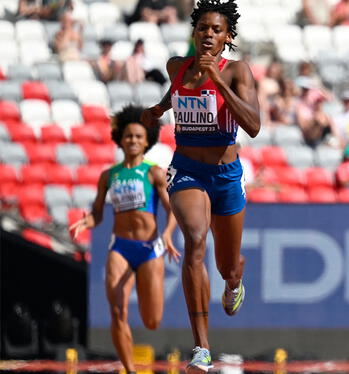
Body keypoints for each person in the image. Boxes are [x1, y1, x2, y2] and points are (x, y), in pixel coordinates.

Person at [140, 0, 261, 372]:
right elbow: (176, 93)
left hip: (225, 174)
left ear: (227, 38)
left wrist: (219, 81)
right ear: (194, 32)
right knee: (194, 240)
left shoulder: (237, 71)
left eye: (216, 30)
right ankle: (202, 348)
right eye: (203, 28)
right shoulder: (176, 66)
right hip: (187, 168)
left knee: (226, 264)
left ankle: (233, 279)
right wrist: (159, 109)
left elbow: (254, 125)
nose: (209, 35)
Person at [69, 105, 179, 374]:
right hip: (120, 247)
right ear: (120, 138)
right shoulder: (109, 176)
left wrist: (167, 233)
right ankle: (129, 370)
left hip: (150, 248)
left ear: (147, 141)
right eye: (129, 136)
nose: (133, 141)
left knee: (152, 320)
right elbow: (98, 213)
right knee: (117, 311)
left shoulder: (154, 172)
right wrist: (88, 221)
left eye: (139, 137)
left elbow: (172, 209)